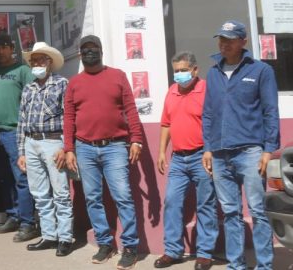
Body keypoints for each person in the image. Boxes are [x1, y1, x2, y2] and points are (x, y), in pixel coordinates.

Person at [201, 20, 280, 270]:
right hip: (220, 154)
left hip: (251, 152)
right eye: (220, 39)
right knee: (231, 213)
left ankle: (264, 265)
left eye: (229, 39)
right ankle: (236, 265)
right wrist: (208, 148)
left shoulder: (261, 71)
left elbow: (270, 111)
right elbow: (208, 114)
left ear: (242, 42)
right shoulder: (213, 73)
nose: (223, 43)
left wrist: (269, 149)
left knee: (257, 211)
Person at [64, 35, 144, 270]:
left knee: (123, 196)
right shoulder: (74, 83)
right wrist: (69, 148)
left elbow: (130, 109)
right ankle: (105, 244)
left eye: (94, 48)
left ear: (101, 51)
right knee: (93, 199)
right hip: (84, 148)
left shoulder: (117, 76)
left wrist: (137, 140)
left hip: (115, 147)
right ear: (80, 54)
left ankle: (130, 247)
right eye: (85, 50)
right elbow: (69, 117)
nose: (90, 52)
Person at [154, 52, 217, 270]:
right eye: (176, 71)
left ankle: (205, 254)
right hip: (178, 159)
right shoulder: (172, 91)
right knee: (171, 202)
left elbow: (216, 122)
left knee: (205, 205)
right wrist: (162, 152)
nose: (179, 75)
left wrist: (210, 151)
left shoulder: (207, 89)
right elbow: (166, 124)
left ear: (195, 70)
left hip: (202, 156)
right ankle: (173, 251)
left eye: (183, 70)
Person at [15, 42, 74, 257]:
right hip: (31, 142)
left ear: (49, 62)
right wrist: (21, 151)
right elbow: (22, 121)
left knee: (60, 192)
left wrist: (66, 147)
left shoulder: (61, 84)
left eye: (40, 60)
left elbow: (69, 117)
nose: (36, 64)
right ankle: (49, 235)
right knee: (39, 193)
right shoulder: (28, 87)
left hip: (53, 142)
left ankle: (65, 237)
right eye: (33, 61)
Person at [0, 34, 39, 242]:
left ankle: (28, 223)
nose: (0, 51)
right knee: (3, 178)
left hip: (16, 132)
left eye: (4, 47)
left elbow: (33, 100)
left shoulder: (23, 70)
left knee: (21, 177)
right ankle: (13, 216)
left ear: (12, 48)